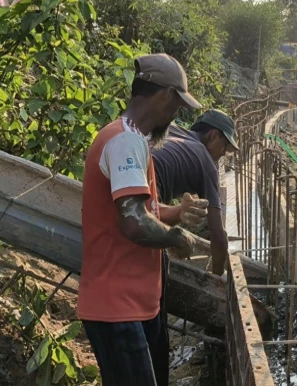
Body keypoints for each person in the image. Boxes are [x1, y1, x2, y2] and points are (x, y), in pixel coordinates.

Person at [77, 53, 209, 386]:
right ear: (164, 95)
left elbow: (141, 208)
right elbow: (134, 222)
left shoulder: (131, 138)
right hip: (117, 305)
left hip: (133, 304)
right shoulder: (124, 141)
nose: (176, 113)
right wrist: (178, 237)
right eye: (177, 104)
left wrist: (176, 212)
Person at [152, 109, 239, 276]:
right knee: (158, 264)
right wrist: (216, 278)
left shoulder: (173, 130)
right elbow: (218, 236)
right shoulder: (205, 161)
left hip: (128, 176)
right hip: (149, 186)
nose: (222, 154)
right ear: (213, 136)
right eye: (224, 148)